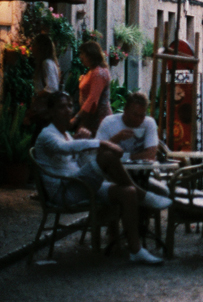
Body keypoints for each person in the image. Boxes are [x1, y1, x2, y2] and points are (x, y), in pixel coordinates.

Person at [35, 91, 169, 265]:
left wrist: (81, 144)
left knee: (127, 192)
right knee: (107, 155)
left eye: (69, 105)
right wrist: (102, 143)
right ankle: (143, 195)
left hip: (80, 186)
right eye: (62, 107)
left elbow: (82, 161)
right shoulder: (47, 135)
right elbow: (65, 149)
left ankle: (136, 250)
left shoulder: (67, 135)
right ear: (51, 111)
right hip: (65, 192)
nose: (68, 110)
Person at [96, 92, 158, 161]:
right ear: (125, 110)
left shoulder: (148, 123)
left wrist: (126, 158)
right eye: (135, 115)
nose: (138, 119)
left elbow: (151, 153)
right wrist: (117, 137)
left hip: (139, 170)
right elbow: (98, 150)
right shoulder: (109, 122)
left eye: (142, 116)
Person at [72, 41, 112, 136]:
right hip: (89, 119)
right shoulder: (92, 71)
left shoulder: (98, 73)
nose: (80, 57)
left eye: (83, 54)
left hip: (96, 121)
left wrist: (76, 118)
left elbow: (92, 100)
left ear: (91, 55)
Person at [28, 34, 60, 133]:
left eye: (34, 45)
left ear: (40, 47)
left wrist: (37, 96)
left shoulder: (46, 63)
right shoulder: (50, 62)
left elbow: (52, 88)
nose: (32, 48)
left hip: (44, 110)